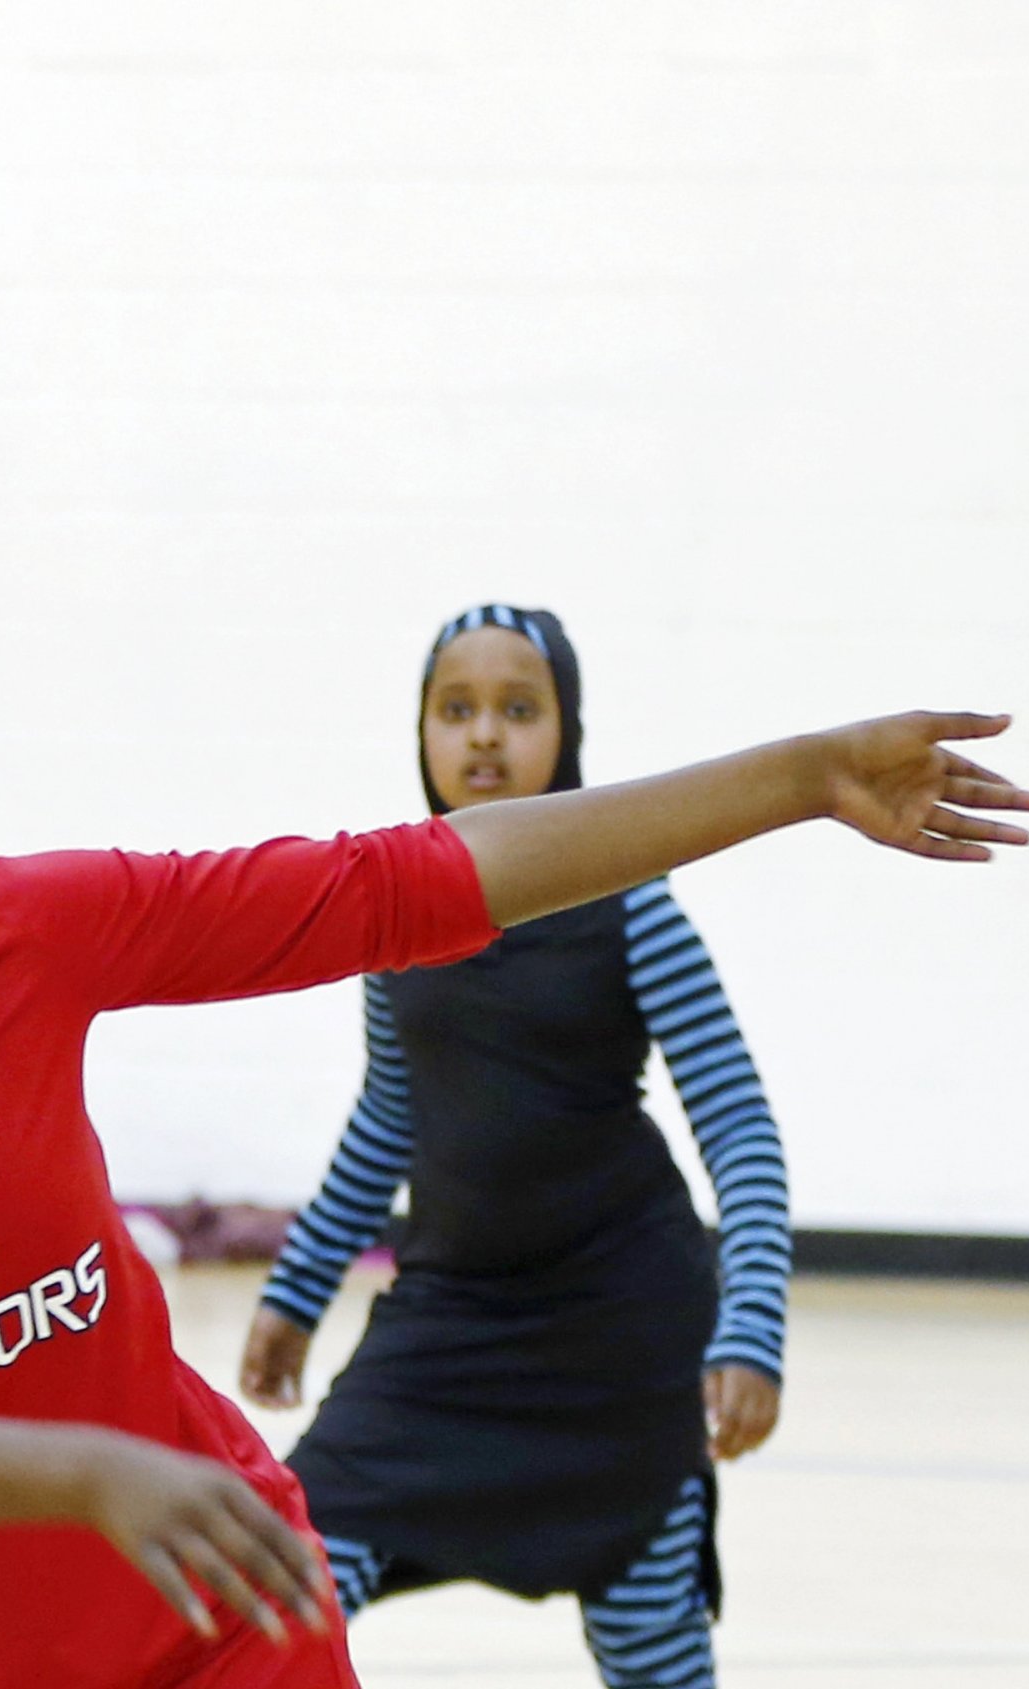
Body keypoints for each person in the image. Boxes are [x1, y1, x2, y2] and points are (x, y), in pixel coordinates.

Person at [0, 547, 1029, 1689]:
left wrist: (800, 776)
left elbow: (402, 880)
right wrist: (92, 1474)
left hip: (223, 1624)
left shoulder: (12, 932)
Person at [242, 605, 792, 1687]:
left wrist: (752, 1322)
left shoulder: (633, 906)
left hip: (621, 1343)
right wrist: (298, 1290)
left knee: (648, 1649)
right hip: (448, 1332)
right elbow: (387, 1121)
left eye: (517, 708)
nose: (483, 735)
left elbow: (737, 1122)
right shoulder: (390, 914)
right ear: (422, 737)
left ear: (567, 732)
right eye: (456, 710)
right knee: (291, 1583)